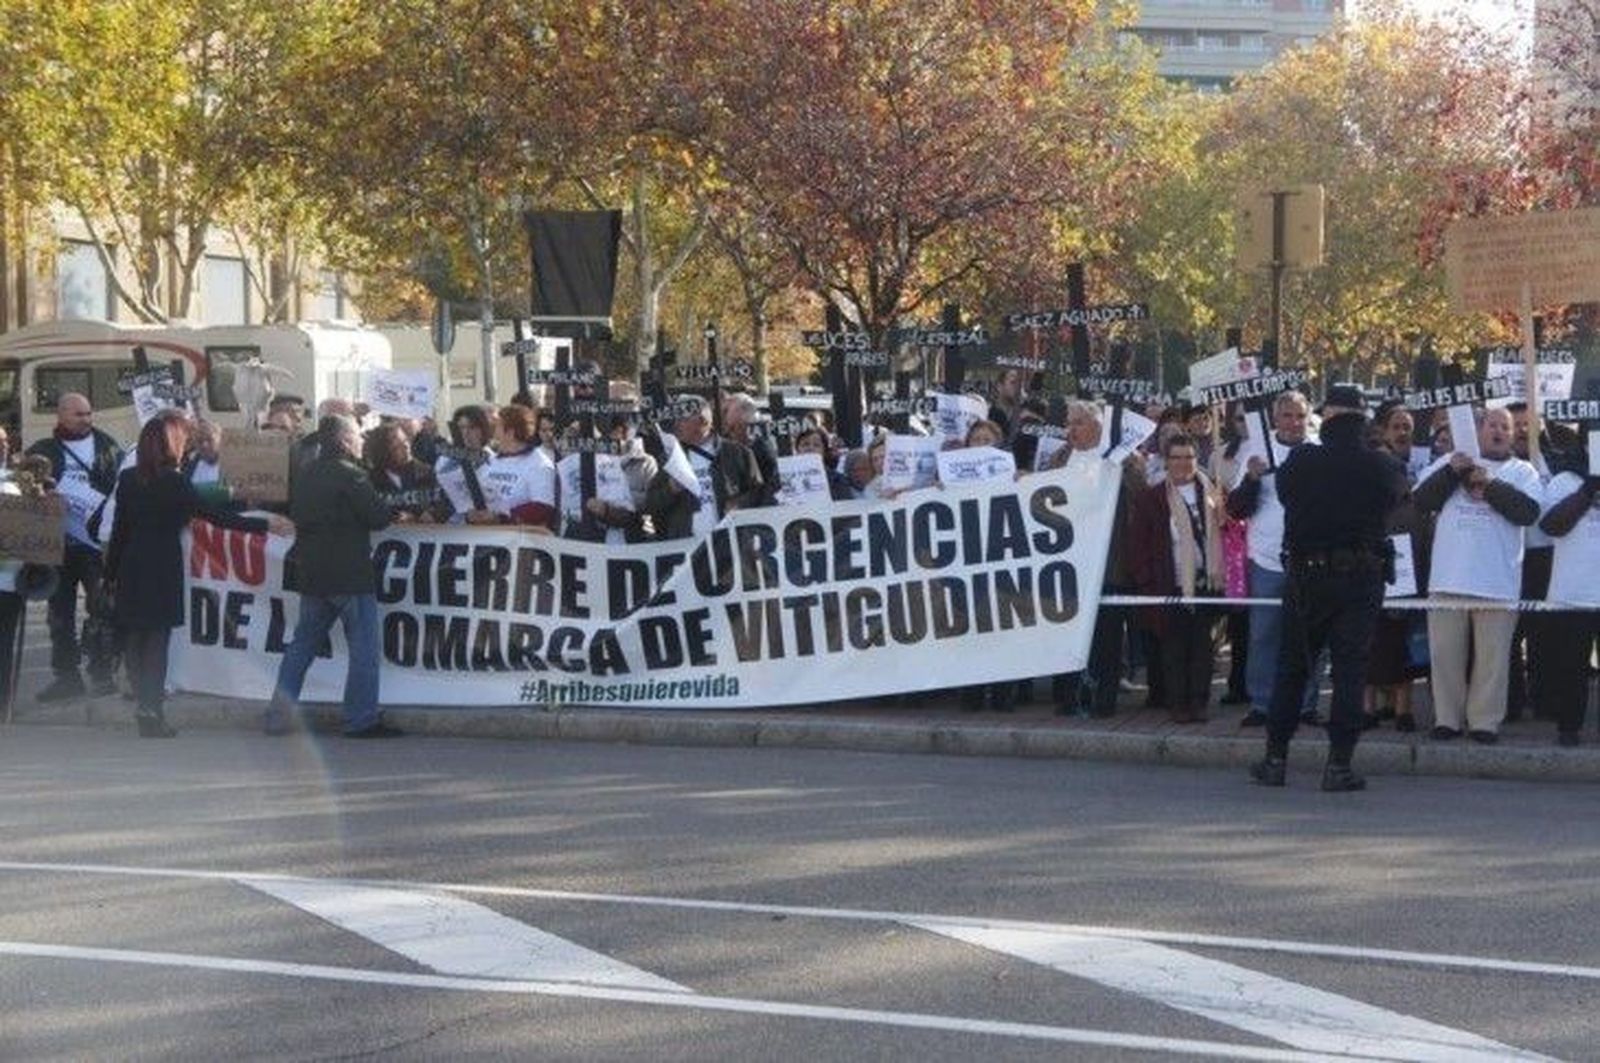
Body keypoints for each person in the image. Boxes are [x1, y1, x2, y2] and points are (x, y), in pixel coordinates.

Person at [1250, 386, 1404, 791]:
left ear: (1329, 416)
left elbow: (1286, 496)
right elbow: (1393, 501)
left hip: (1308, 576)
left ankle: (1275, 758)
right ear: (1363, 418)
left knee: (1292, 669)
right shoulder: (1382, 466)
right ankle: (1338, 765)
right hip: (1361, 578)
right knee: (1350, 672)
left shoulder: (1302, 461)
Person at [105, 411, 290, 738]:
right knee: (158, 639)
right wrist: (264, 524)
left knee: (135, 637)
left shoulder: (129, 479)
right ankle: (152, 708)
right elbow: (216, 517)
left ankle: (142, 705)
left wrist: (110, 575)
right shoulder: (174, 481)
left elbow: (120, 529)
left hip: (131, 563)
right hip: (162, 565)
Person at [1412, 406, 1541, 745]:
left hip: (1497, 582)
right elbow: (1421, 500)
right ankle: (1447, 719)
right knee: (1445, 656)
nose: (1499, 431)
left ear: (1512, 436)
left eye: (1505, 427)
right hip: (1448, 579)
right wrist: (1453, 473)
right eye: (1492, 425)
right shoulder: (1451, 461)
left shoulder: (1522, 470)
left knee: (1493, 661)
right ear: (1479, 431)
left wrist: (1491, 485)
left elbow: (1528, 512)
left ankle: (1484, 721)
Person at [263, 414, 397, 738]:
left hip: (313, 574)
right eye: (357, 435)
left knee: (301, 646)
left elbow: (297, 513)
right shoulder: (352, 476)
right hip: (350, 575)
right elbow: (378, 517)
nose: (362, 440)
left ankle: (278, 717)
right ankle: (361, 718)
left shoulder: (306, 474)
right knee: (363, 649)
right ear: (344, 440)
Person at [1226, 391, 1319, 728]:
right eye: (1288, 416)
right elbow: (1235, 508)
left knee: (1309, 634)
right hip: (1265, 557)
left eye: (1300, 416)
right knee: (1264, 633)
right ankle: (1263, 703)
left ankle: (1307, 703)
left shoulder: (1319, 451)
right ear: (1275, 419)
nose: (1294, 423)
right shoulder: (1256, 450)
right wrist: (1251, 478)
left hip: (1310, 558)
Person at [25, 392, 124, 701]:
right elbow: (23, 491)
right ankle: (66, 677)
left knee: (102, 609)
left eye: (88, 413)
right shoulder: (41, 451)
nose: (86, 419)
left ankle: (101, 672)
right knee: (59, 614)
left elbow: (121, 487)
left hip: (95, 546)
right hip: (56, 546)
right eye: (79, 414)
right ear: (61, 415)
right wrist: (42, 495)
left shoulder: (107, 446)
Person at [1130, 433, 1225, 723]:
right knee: (1174, 647)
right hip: (1170, 582)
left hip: (1206, 580)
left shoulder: (1212, 491)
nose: (1184, 463)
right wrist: (1147, 581)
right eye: (1177, 458)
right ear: (1167, 462)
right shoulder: (1153, 497)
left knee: (1202, 647)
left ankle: (1199, 701)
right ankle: (1178, 703)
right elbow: (1139, 543)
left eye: (1189, 457)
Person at [1363, 402, 1426, 732]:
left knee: (1401, 636)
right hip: (1375, 558)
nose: (1404, 433)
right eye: (1398, 426)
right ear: (1383, 431)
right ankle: (1368, 707)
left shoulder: (1415, 464)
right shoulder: (1375, 463)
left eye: (1408, 427)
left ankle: (1403, 708)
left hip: (1406, 561)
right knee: (1371, 636)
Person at [1537, 446, 1600, 746]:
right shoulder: (1564, 479)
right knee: (1571, 668)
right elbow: (1551, 526)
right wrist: (1588, 490)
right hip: (1572, 593)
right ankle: (1569, 726)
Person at [644, 394, 764, 539]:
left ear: (703, 421)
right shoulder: (670, 458)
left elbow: (759, 493)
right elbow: (650, 504)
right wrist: (670, 489)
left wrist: (740, 504)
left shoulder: (737, 453)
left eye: (683, 419)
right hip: (686, 548)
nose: (676, 424)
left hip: (730, 543)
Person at [470, 404, 558, 529]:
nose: (493, 432)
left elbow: (543, 507)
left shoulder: (539, 464)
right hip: (486, 539)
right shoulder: (491, 461)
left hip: (519, 544)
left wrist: (501, 518)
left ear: (510, 433)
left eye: (498, 426)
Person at [364, 422, 441, 523]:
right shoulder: (370, 480)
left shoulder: (426, 472)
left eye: (405, 441)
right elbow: (367, 512)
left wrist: (431, 514)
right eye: (397, 447)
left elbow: (445, 504)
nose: (406, 447)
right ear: (382, 451)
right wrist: (394, 517)